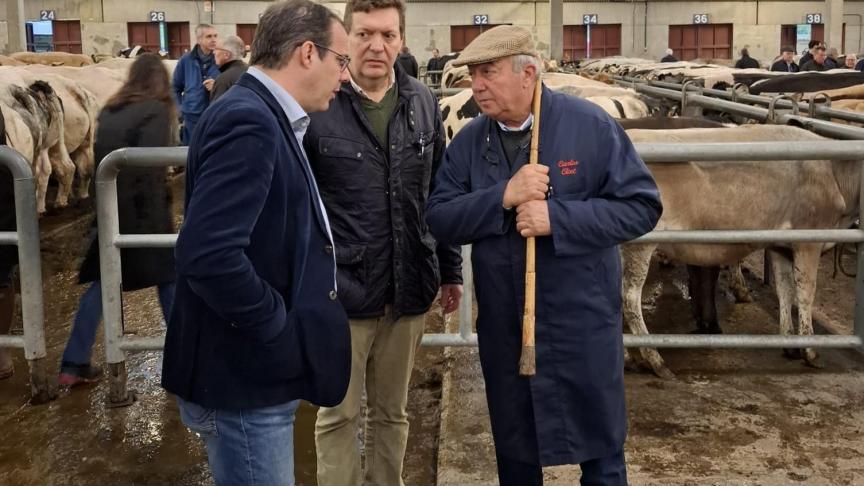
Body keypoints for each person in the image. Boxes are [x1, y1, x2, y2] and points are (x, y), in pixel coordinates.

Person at [426, 25, 662, 486]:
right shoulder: (471, 142)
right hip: (507, 328)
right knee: (516, 452)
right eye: (473, 74)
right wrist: (502, 196)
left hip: (582, 324)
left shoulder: (589, 127)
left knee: (602, 452)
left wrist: (560, 219)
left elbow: (641, 206)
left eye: (488, 73)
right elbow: (440, 217)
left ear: (528, 73)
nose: (475, 86)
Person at [161, 1, 352, 484]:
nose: (345, 76)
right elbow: (208, 254)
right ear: (308, 53)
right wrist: (277, 328)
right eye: (341, 60)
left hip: (248, 375)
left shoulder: (259, 111)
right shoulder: (250, 120)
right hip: (243, 380)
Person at [306, 0, 463, 485]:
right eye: (365, 34)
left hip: (409, 285)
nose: (377, 46)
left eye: (388, 35)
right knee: (338, 414)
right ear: (345, 39)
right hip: (341, 291)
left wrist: (450, 269)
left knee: (393, 413)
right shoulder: (319, 105)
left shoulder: (422, 103)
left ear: (401, 40)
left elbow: (439, 192)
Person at [58, 53, 178, 386]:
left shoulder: (109, 108)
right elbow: (151, 165)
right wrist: (160, 219)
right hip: (144, 210)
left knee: (102, 283)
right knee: (170, 280)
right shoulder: (157, 109)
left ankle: (73, 362)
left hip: (111, 208)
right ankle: (183, 354)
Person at [172, 24, 220, 145]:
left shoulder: (220, 59)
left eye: (215, 36)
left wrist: (216, 86)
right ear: (199, 40)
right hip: (192, 119)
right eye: (209, 36)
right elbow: (175, 88)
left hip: (214, 117)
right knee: (191, 154)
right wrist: (181, 109)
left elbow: (229, 85)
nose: (214, 39)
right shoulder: (186, 60)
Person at [207, 35, 248, 102]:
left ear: (226, 55)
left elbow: (217, 110)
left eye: (216, 49)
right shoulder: (250, 71)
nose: (214, 52)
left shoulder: (223, 80)